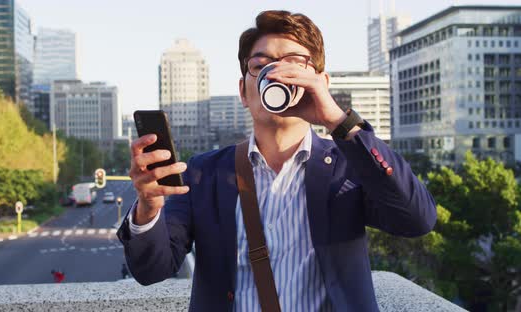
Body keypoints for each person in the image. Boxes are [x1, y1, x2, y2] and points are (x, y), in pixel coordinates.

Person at [117, 10, 436, 311]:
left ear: (320, 83)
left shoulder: (350, 164)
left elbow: (417, 219)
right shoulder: (204, 173)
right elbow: (153, 269)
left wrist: (337, 119)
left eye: (294, 64)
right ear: (244, 91)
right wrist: (147, 206)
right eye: (261, 65)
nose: (278, 75)